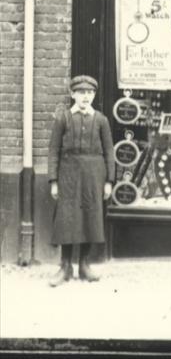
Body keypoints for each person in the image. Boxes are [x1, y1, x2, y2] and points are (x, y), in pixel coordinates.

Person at [47, 75, 115, 286]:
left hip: (94, 176)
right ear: (73, 94)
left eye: (90, 93)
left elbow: (109, 152)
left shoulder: (101, 120)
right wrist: (53, 180)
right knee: (68, 219)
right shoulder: (63, 119)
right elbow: (53, 150)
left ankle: (84, 265)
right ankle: (65, 266)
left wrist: (109, 181)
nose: (86, 97)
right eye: (82, 92)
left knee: (89, 217)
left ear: (94, 95)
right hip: (68, 175)